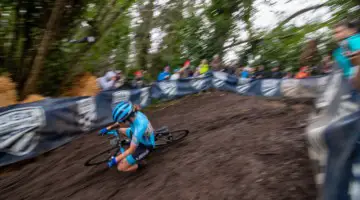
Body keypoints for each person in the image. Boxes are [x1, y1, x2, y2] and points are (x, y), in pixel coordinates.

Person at [99, 101, 155, 172]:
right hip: (138, 133)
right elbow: (119, 123)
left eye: (123, 120)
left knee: (121, 168)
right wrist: (107, 128)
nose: (121, 122)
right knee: (119, 130)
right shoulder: (134, 115)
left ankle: (141, 164)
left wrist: (115, 160)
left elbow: (131, 150)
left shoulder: (139, 127)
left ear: (127, 118)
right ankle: (129, 144)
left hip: (145, 145)